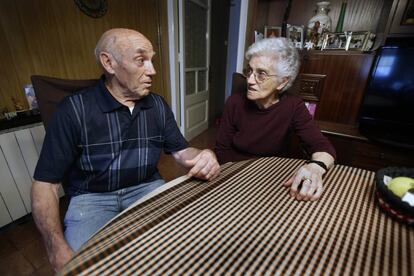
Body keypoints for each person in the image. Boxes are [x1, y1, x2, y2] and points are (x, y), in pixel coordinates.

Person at [31, 28, 220, 272]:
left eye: (152, 60)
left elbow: (182, 153)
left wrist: (205, 155)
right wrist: (55, 246)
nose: (152, 70)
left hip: (146, 188)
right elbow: (45, 184)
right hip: (91, 199)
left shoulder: (157, 105)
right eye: (141, 60)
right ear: (109, 63)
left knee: (188, 249)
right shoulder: (73, 110)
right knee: (86, 268)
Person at [215, 37, 336, 202]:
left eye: (261, 74)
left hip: (272, 179)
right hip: (235, 176)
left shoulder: (294, 107)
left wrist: (317, 166)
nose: (249, 80)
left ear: (282, 82)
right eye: (249, 71)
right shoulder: (234, 102)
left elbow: (322, 147)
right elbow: (222, 150)